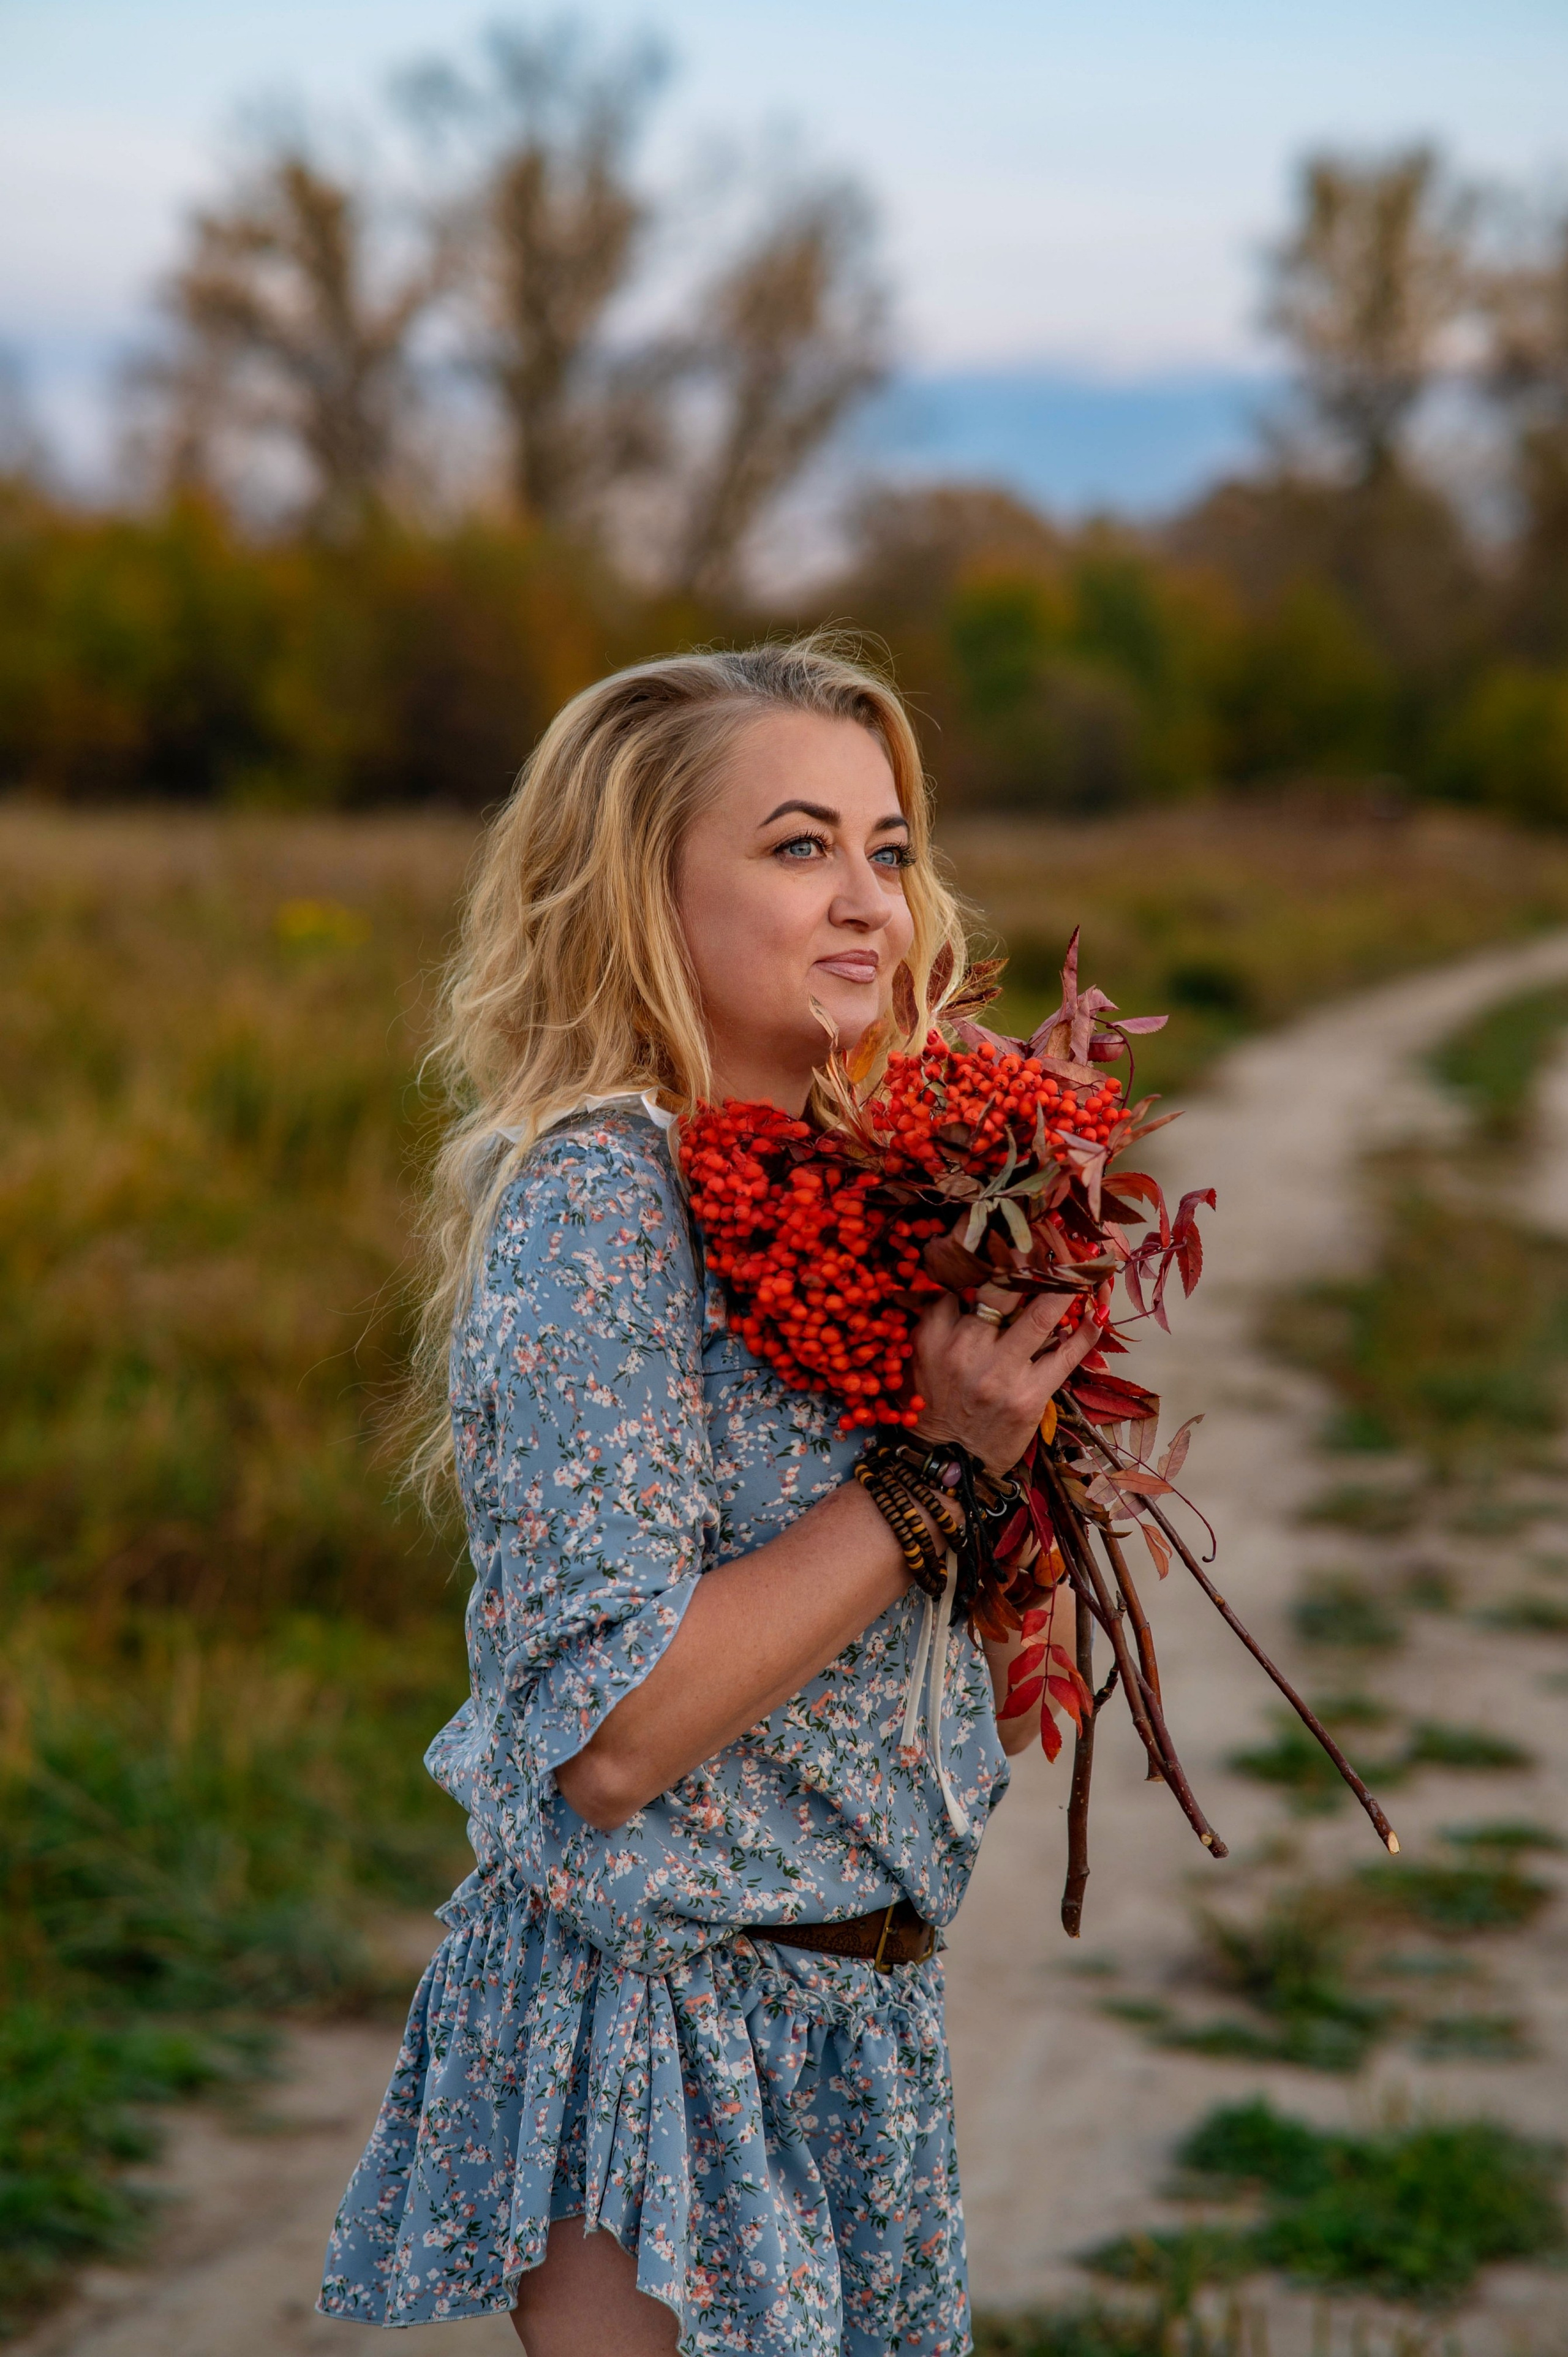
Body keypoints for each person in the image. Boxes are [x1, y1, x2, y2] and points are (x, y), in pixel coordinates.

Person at [317, 639, 1095, 2357]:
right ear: (640, 893)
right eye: (798, 845)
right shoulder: (604, 1202)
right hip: (660, 2022)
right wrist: (931, 1473)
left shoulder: (878, 1192)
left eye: (888, 850)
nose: (869, 904)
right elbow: (613, 1738)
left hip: (858, 2014)